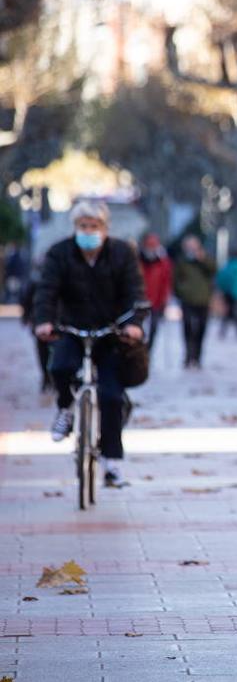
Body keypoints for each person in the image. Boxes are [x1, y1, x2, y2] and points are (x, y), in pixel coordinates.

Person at [32, 200, 145, 488]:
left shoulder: (121, 254)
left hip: (110, 332)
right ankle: (65, 408)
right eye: (83, 226)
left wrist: (133, 325)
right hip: (72, 327)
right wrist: (44, 320)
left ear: (105, 228)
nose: (88, 231)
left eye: (94, 226)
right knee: (59, 367)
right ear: (75, 228)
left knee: (110, 395)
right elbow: (46, 290)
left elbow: (134, 291)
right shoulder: (60, 253)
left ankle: (112, 464)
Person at [173, 236, 216, 368]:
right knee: (188, 327)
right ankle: (188, 355)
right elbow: (175, 279)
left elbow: (214, 270)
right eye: (188, 246)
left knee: (201, 328)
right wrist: (181, 292)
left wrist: (202, 259)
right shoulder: (182, 261)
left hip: (203, 299)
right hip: (187, 300)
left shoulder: (205, 259)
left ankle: (197, 357)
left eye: (193, 246)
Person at [19, 265, 53, 394]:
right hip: (40, 322)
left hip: (58, 324)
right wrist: (27, 317)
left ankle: (49, 377)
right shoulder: (36, 282)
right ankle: (46, 377)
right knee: (43, 352)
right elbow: (27, 300)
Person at [138, 233, 173, 349]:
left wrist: (164, 300)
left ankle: (148, 352)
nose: (151, 248)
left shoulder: (163, 262)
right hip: (139, 301)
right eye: (149, 245)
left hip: (156, 302)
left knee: (153, 329)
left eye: (154, 245)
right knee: (138, 329)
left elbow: (166, 282)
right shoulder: (138, 260)